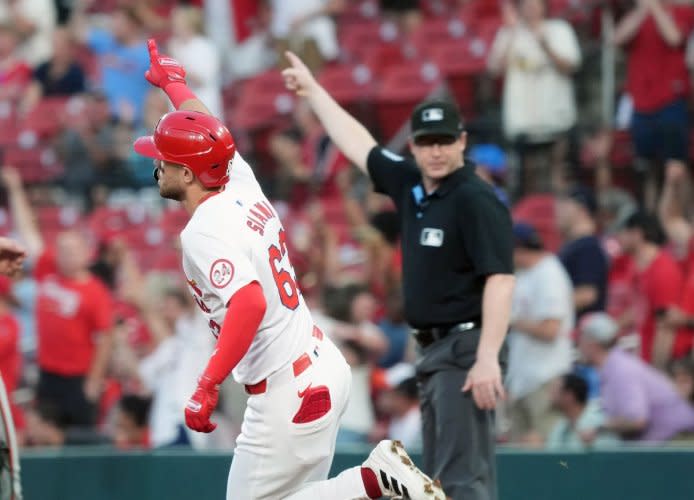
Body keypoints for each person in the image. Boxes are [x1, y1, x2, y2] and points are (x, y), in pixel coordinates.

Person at [132, 39, 445, 500]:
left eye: (164, 159)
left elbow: (249, 302)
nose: (156, 165)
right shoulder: (237, 178)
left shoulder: (202, 231)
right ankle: (371, 481)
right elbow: (213, 130)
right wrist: (174, 85)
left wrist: (207, 382)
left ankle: (372, 480)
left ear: (189, 173)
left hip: (287, 390)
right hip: (316, 366)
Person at [283, 50, 515, 500]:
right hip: (434, 349)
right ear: (414, 145)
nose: (436, 150)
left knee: (462, 478)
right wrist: (313, 91)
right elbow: (359, 145)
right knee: (447, 476)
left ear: (462, 142)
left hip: (464, 347)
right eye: (428, 141)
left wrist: (487, 356)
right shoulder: (413, 184)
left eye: (445, 141)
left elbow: (501, 279)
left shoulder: (474, 198)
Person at [577, 312, 694, 443]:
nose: (578, 345)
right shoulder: (614, 366)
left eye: (581, 339)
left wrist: (598, 427)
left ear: (592, 344)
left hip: (681, 443)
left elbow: (636, 421)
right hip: (667, 445)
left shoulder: (621, 369)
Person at [506, 223, 574, 444]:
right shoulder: (526, 274)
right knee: (520, 453)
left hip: (546, 377)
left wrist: (512, 321)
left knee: (544, 449)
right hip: (524, 379)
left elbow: (551, 329)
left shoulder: (549, 273)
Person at [545, 373, 618, 450]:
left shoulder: (600, 422)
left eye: (554, 392)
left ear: (569, 396)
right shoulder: (561, 426)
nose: (550, 397)